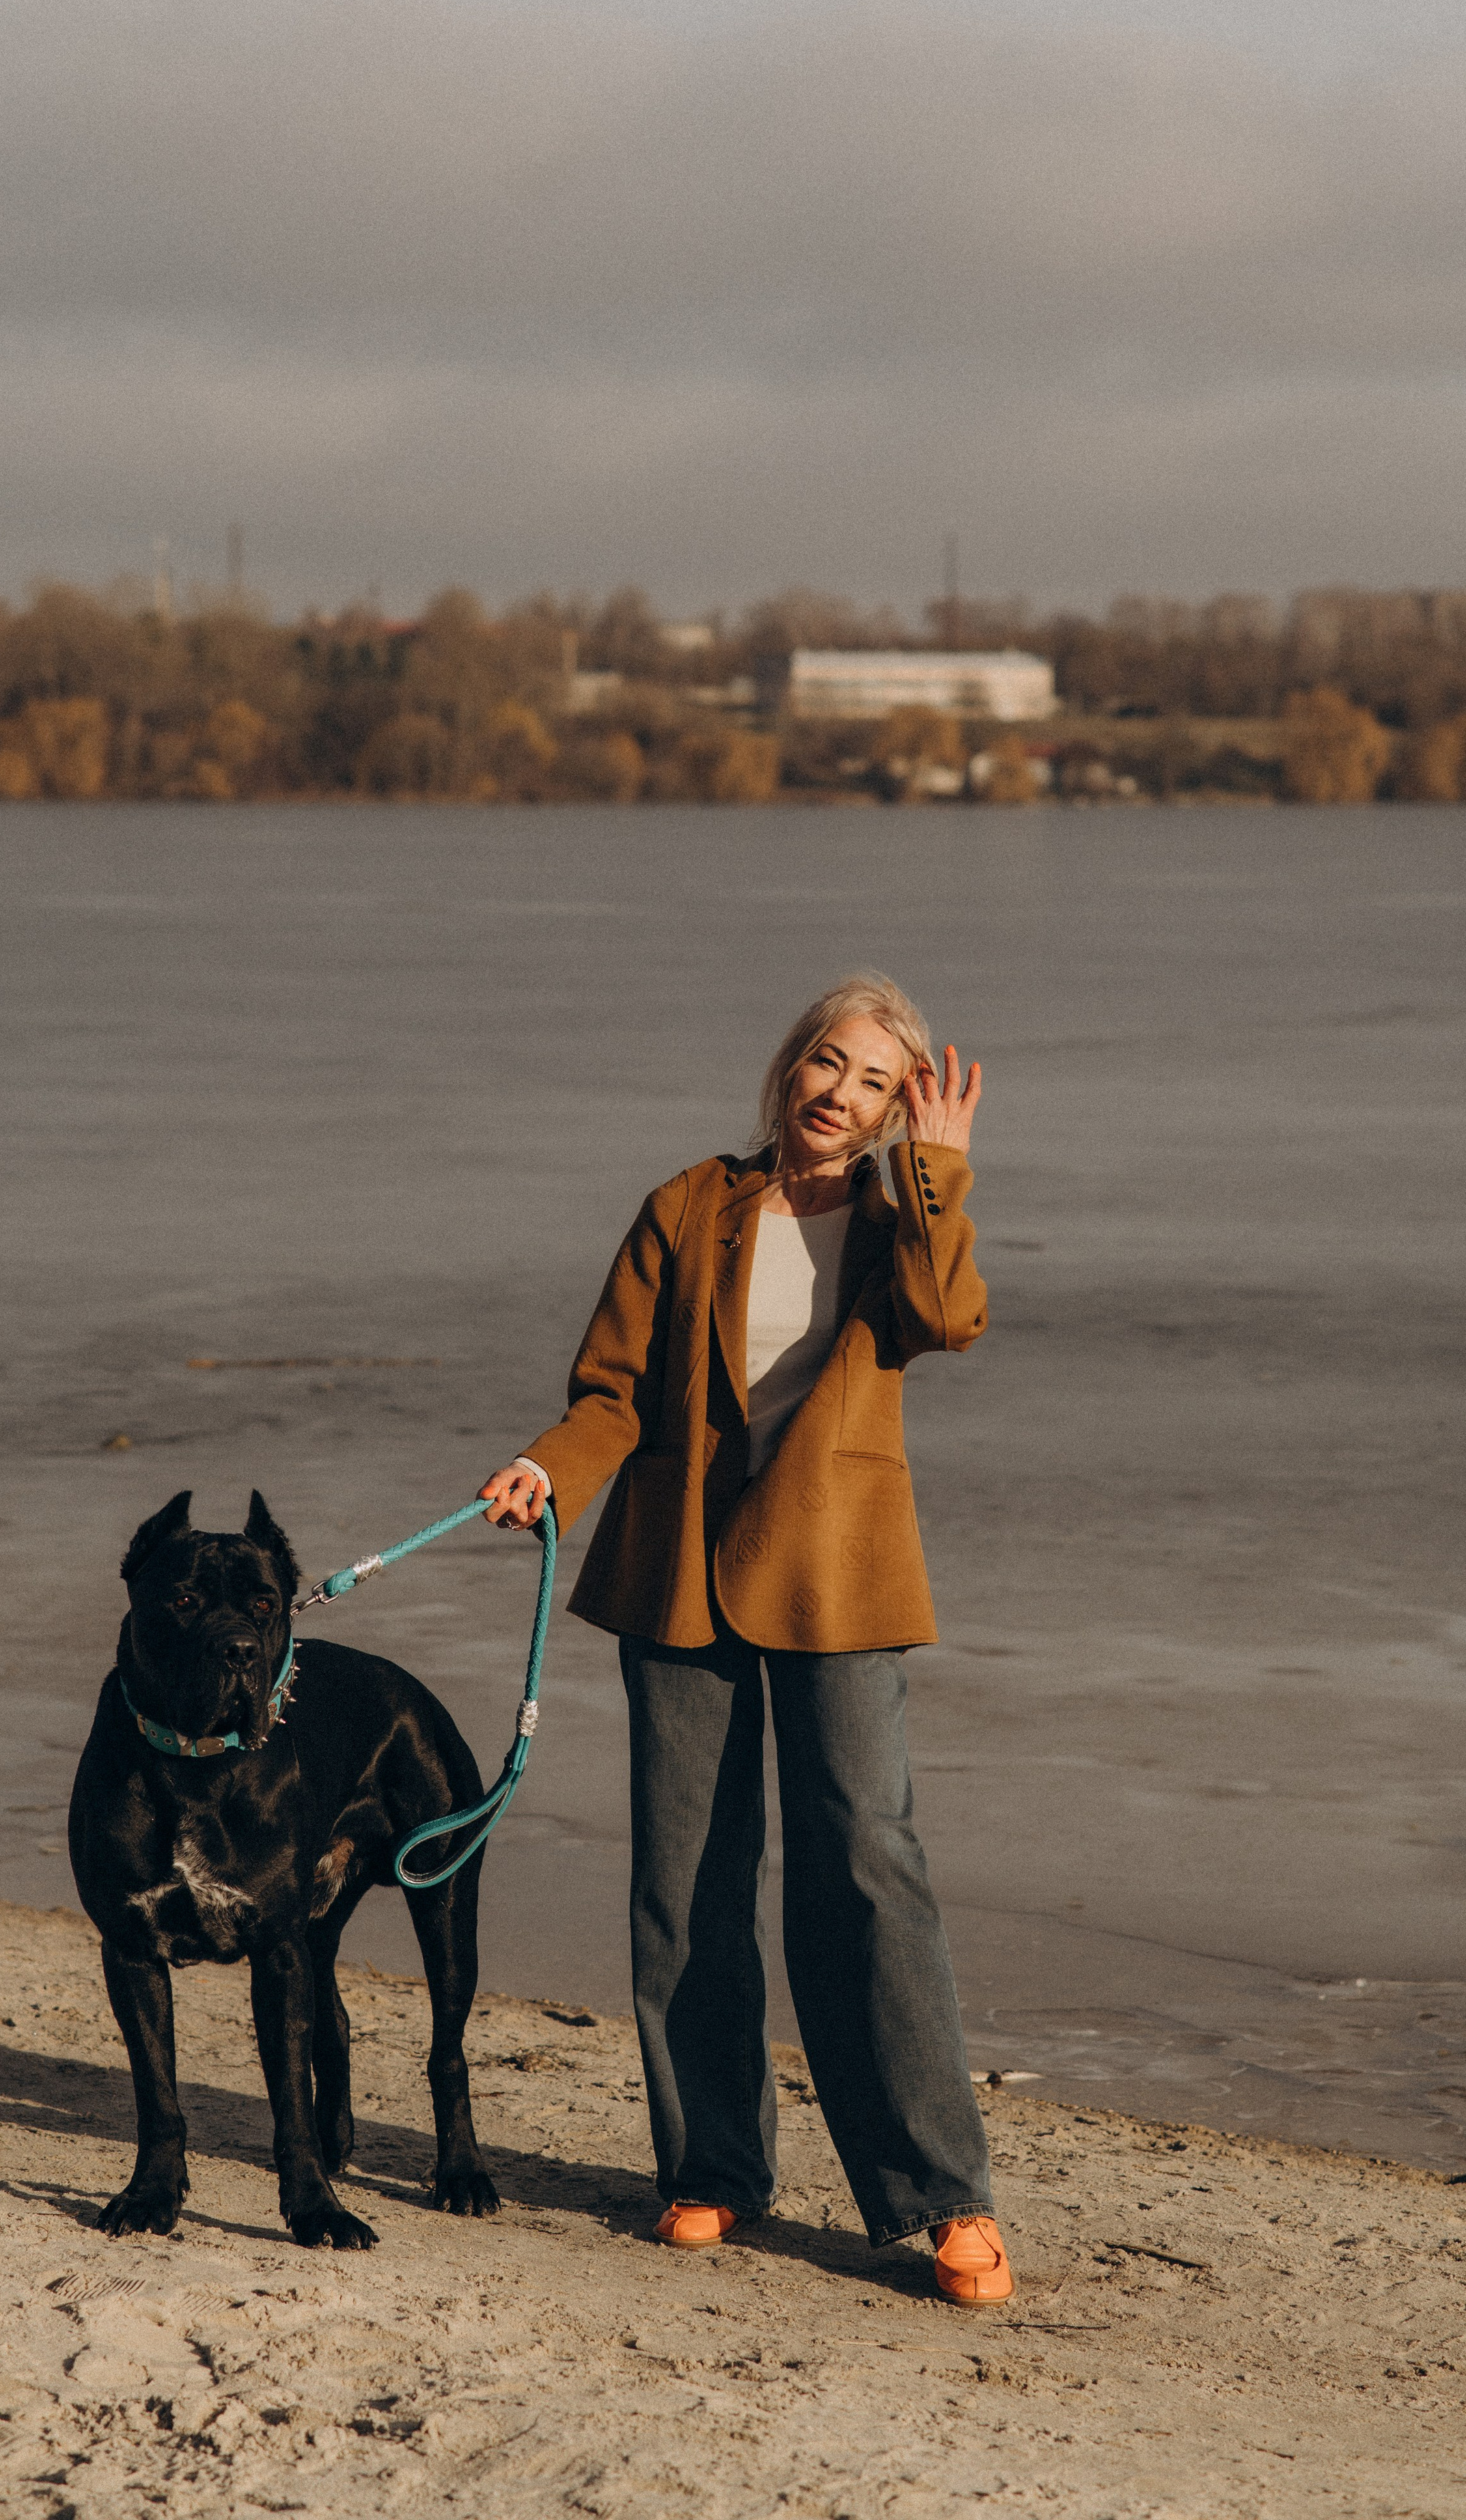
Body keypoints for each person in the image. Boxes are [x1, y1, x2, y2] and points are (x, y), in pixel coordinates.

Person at [480, 974, 1013, 2306]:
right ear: (790, 1066)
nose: (839, 1092)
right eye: (828, 1062)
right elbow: (612, 1390)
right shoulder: (687, 1205)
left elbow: (947, 1317)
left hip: (837, 1573)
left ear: (892, 1111)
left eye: (873, 1081)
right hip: (679, 1572)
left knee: (867, 1862)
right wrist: (549, 1468)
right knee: (686, 1878)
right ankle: (713, 2163)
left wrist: (939, 1171)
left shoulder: (898, 1220)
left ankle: (940, 2196)